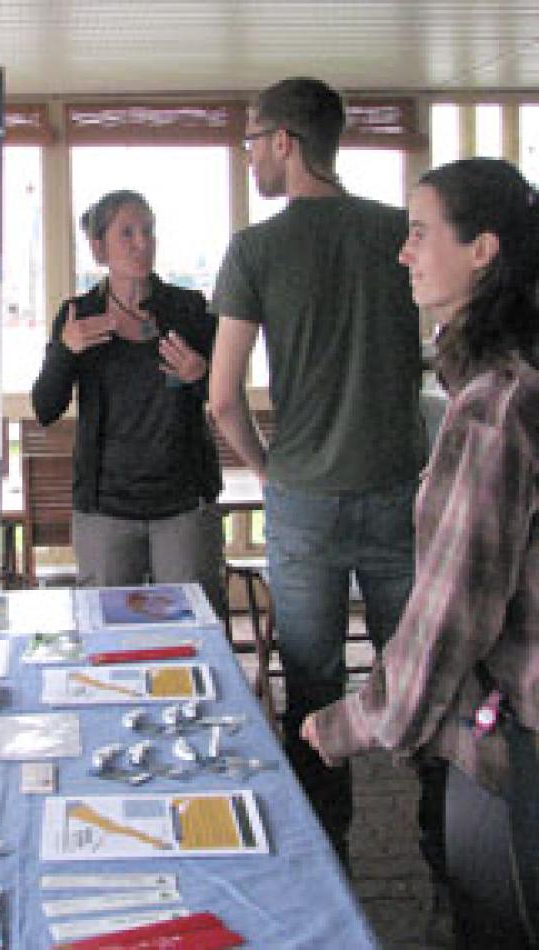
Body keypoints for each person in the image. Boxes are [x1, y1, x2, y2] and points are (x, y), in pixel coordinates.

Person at [303, 157, 538, 947]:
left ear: (483, 250)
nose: (403, 253)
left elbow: (450, 620)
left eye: (419, 232)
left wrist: (351, 724)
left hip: (520, 748)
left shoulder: (495, 408)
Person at [208, 77, 440, 872]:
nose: (248, 157)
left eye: (251, 140)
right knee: (419, 677)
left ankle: (326, 859)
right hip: (398, 495)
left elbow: (222, 396)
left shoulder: (256, 249)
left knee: (312, 685)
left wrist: (270, 473)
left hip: (303, 502)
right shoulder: (399, 234)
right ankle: (443, 849)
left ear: (285, 142)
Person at [30, 190, 226, 618]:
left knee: (194, 630)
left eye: (149, 230)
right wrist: (66, 350)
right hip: (106, 510)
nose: (143, 243)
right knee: (109, 633)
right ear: (99, 248)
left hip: (183, 504)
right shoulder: (78, 314)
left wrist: (200, 376)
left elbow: (223, 394)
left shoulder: (188, 309)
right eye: (128, 233)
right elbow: (46, 407)